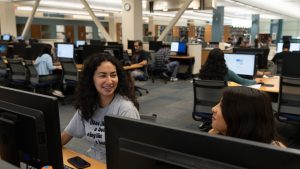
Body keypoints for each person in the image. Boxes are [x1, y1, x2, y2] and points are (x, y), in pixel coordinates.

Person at [61, 53, 140, 162]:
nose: (109, 81)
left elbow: (133, 154)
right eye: (102, 75)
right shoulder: (89, 104)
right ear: (91, 79)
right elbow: (66, 135)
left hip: (117, 162)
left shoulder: (126, 109)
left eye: (113, 75)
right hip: (93, 161)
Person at [209, 86, 286, 148]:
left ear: (241, 115)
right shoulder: (214, 135)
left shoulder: (276, 154)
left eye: (222, 106)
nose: (213, 108)